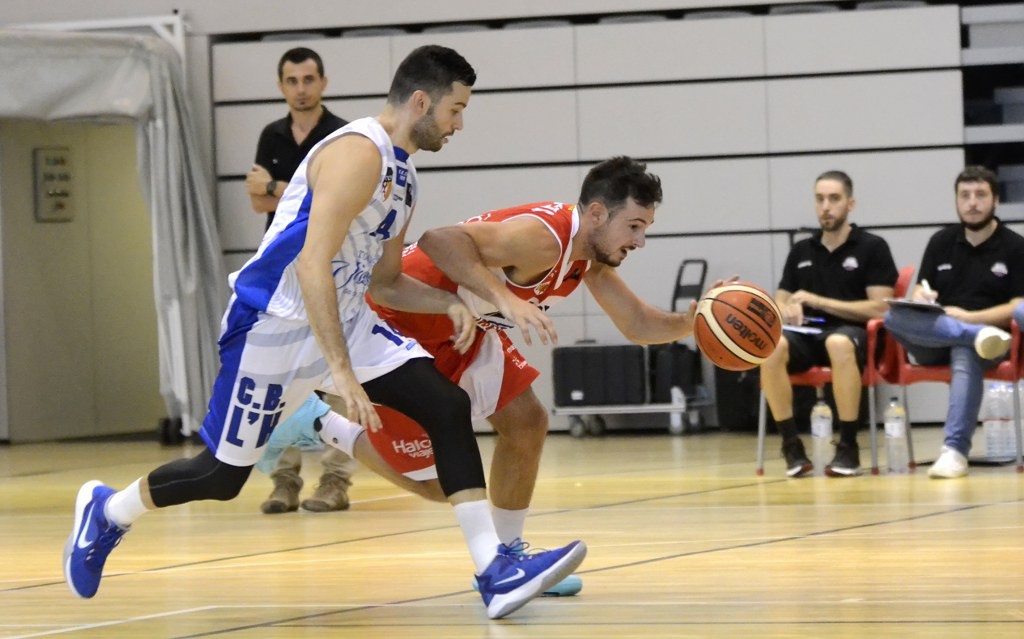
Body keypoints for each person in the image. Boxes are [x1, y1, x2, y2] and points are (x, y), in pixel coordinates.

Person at [63, 45, 586, 621]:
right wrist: (340, 372)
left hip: (347, 315)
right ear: (421, 101)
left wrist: (448, 302)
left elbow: (385, 283)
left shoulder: (403, 177)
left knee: (445, 403)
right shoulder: (359, 153)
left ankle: (494, 570)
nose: (460, 123)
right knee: (221, 476)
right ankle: (108, 511)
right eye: (455, 110)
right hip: (273, 324)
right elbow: (313, 263)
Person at [263, 156, 706, 596]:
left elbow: (637, 323)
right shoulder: (544, 238)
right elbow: (438, 241)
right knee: (437, 487)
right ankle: (322, 423)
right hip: (403, 325)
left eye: (645, 227)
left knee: (527, 421)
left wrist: (696, 321)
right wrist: (505, 299)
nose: (641, 239)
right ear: (596, 213)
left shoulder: (587, 257)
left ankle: (511, 557)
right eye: (634, 226)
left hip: (467, 328)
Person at [244, 46, 357, 515]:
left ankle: (335, 481)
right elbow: (256, 203)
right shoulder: (271, 134)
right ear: (281, 86)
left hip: (333, 268)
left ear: (323, 83)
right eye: (292, 81)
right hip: (281, 273)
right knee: (279, 377)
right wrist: (283, 193)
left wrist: (274, 188)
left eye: (309, 79)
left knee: (336, 378)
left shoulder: (342, 135)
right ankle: (284, 479)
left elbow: (328, 201)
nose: (301, 89)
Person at [885, 166, 1024, 479]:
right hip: (936, 336)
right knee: (892, 316)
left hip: (993, 343)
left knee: (967, 351)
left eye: (980, 195)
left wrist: (972, 319)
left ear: (996, 201)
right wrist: (922, 296)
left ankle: (954, 452)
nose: (972, 203)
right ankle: (972, 335)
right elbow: (923, 287)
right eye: (965, 196)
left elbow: (1018, 305)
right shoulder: (941, 241)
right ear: (956, 201)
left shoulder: (1014, 246)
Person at [761, 170, 897, 478]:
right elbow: (778, 302)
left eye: (834, 199)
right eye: (820, 199)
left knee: (838, 343)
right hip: (807, 335)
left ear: (851, 204)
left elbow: (879, 307)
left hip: (853, 335)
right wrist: (787, 308)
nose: (826, 206)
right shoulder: (801, 251)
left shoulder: (872, 247)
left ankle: (848, 446)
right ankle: (791, 446)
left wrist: (821, 301)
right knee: (770, 347)